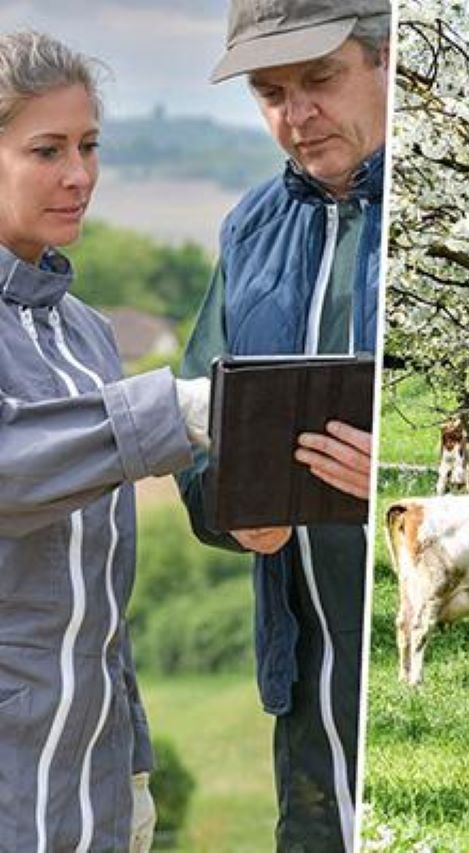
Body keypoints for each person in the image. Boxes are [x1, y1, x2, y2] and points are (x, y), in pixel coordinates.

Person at [175, 0, 389, 849]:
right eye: (270, 93)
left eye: (320, 81)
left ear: (389, 60)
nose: (296, 118)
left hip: (442, 685)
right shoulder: (251, 229)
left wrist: (407, 482)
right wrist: (227, 507)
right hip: (305, 692)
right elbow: (196, 427)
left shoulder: (459, 227)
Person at [0, 30, 209, 851]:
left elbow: (100, 605)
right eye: (45, 149)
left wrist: (135, 771)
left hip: (97, 784)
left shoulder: (88, 335)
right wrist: (182, 412)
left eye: (89, 146)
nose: (78, 175)